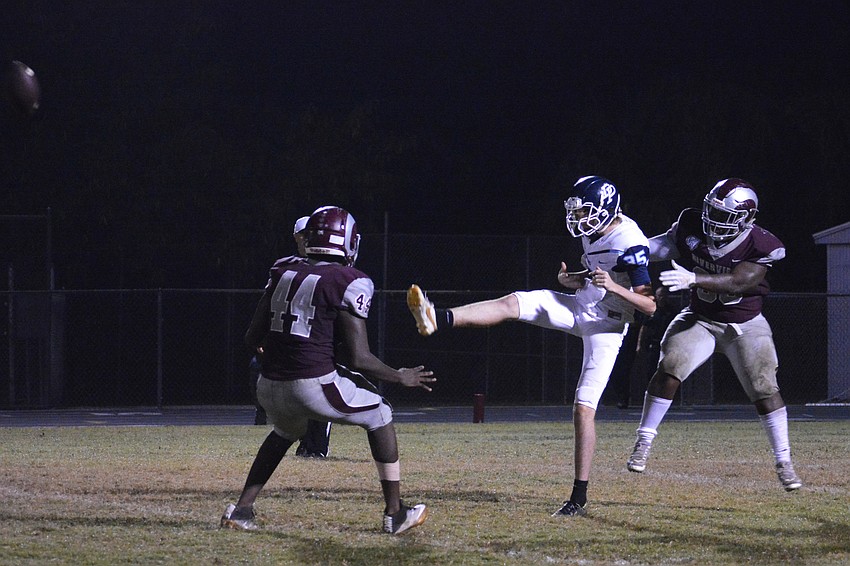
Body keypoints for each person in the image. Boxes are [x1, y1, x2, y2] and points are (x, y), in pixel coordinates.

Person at [407, 176, 656, 517]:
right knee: (514, 303)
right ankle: (438, 317)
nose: (578, 219)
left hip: (608, 327)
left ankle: (578, 498)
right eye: (576, 212)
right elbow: (598, 273)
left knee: (583, 407)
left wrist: (613, 287)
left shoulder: (630, 243)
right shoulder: (593, 232)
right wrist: (577, 279)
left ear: (605, 210)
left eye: (584, 212)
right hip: (582, 305)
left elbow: (649, 306)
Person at [221, 206, 435, 534]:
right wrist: (399, 375)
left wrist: (275, 364)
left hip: (268, 384)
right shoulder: (350, 280)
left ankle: (242, 509)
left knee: (284, 431)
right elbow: (359, 357)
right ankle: (395, 513)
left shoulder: (283, 269)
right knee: (380, 413)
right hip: (311, 385)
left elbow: (252, 336)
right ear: (348, 241)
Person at [626, 178, 803, 492]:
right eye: (712, 211)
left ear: (746, 218)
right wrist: (632, 249)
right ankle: (643, 441)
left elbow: (738, 282)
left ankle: (784, 461)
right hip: (702, 318)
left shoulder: (761, 244)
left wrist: (692, 277)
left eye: (724, 215)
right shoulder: (692, 224)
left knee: (764, 387)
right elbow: (661, 247)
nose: (712, 220)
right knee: (670, 366)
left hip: (744, 324)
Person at [290, 215, 335, 458]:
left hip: (320, 337)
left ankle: (317, 447)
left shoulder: (329, 266)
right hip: (297, 336)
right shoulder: (290, 266)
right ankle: (307, 444)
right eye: (303, 235)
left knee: (320, 393)